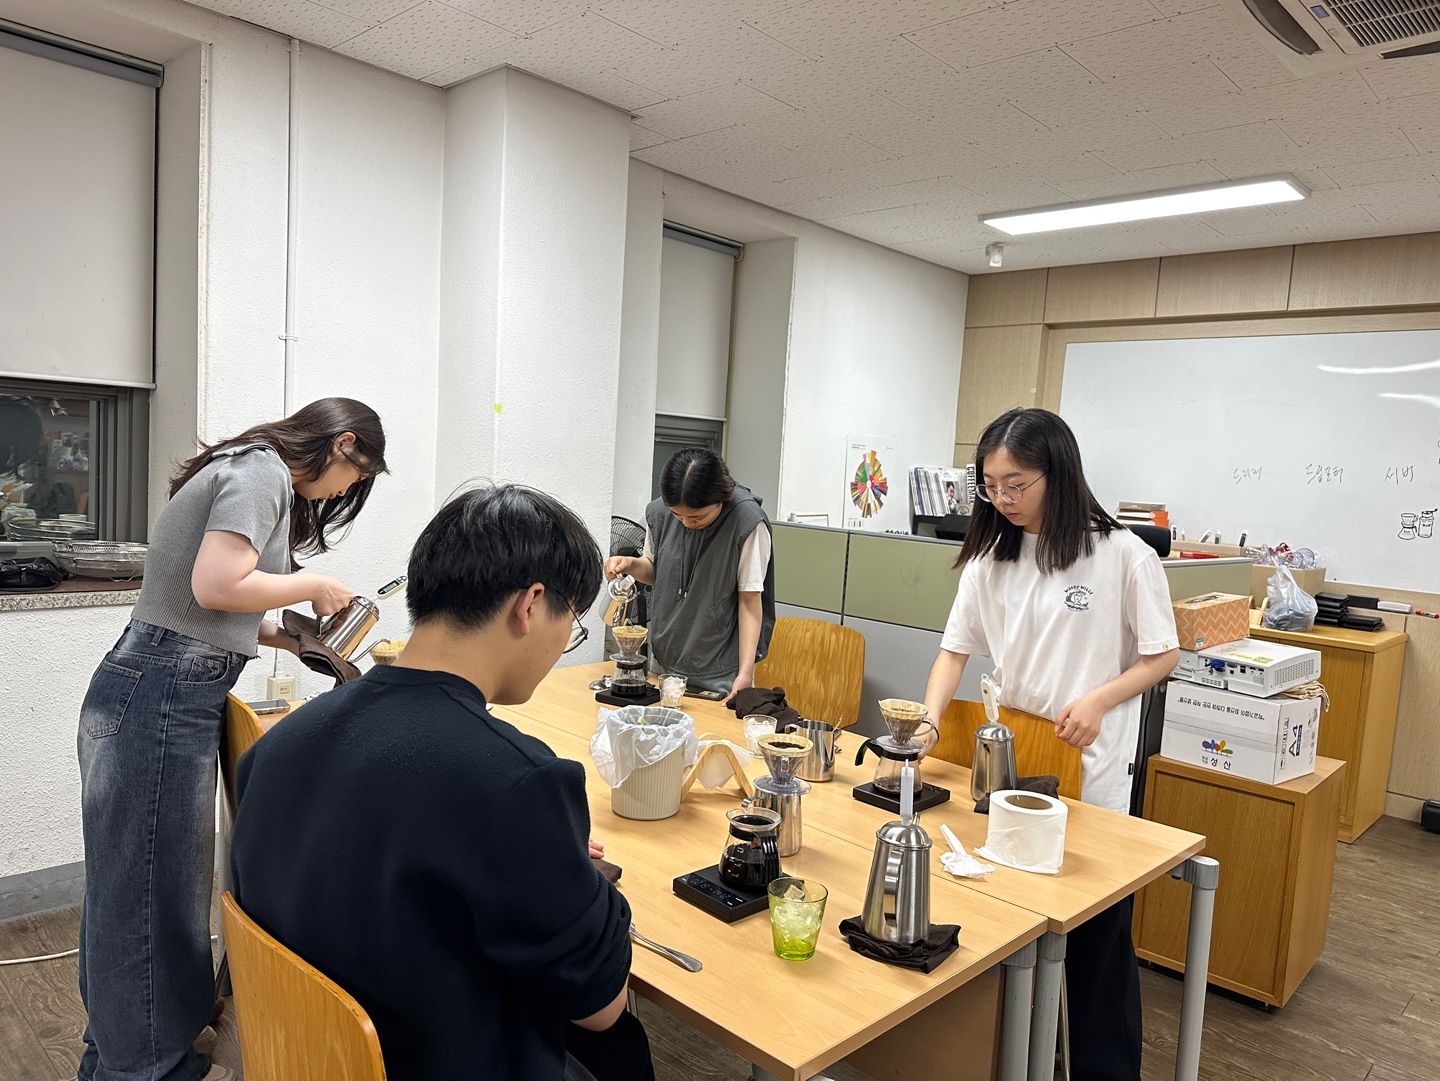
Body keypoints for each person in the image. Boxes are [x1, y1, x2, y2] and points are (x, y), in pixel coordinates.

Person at [230, 484, 655, 1081]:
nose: (565, 644)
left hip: (311, 1059)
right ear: (531, 605)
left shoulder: (276, 746)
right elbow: (600, 1006)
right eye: (573, 622)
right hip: (444, 1060)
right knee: (622, 1047)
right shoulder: (515, 781)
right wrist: (574, 875)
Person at [76, 398, 386, 1081]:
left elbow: (209, 605)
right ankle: (148, 1068)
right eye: (354, 478)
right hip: (162, 693)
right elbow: (218, 584)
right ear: (344, 443)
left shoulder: (243, 467)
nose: (343, 494)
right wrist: (313, 583)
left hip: (148, 684)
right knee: (150, 896)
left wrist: (296, 638)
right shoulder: (262, 471)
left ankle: (117, 1058)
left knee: (131, 890)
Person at [920, 408, 1178, 1081]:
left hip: (1090, 765)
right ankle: (1023, 1059)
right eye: (990, 487)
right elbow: (953, 652)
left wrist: (1100, 699)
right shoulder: (990, 559)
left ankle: (1102, 1068)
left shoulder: (1123, 554)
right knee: (1012, 921)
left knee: (1094, 940)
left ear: (1057, 473)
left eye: (1016, 485)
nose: (1002, 499)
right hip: (1015, 761)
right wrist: (927, 724)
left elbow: (1162, 654)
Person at [604, 448, 775, 703]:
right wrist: (630, 564)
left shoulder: (746, 522)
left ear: (721, 499)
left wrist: (745, 674)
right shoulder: (659, 512)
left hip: (719, 667)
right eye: (677, 515)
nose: (686, 523)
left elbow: (750, 600)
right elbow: (657, 572)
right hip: (666, 657)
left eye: (697, 517)